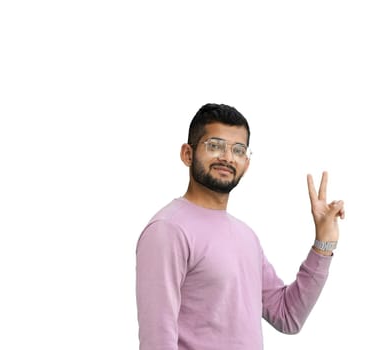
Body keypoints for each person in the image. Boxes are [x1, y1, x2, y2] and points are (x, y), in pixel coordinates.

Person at [136, 103, 345, 350]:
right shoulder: (168, 230)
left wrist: (323, 244)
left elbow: (288, 316)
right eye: (214, 146)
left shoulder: (246, 236)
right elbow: (156, 342)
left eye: (238, 150)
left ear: (246, 163)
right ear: (187, 154)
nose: (227, 157)